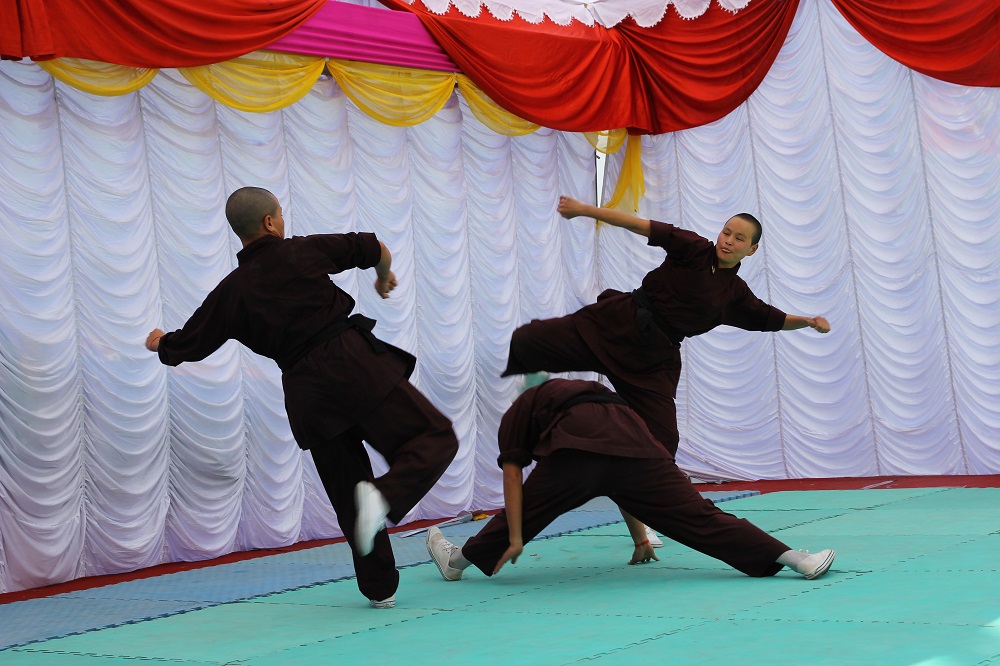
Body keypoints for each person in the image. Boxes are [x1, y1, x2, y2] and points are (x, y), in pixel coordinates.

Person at [146, 186, 458, 609]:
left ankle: (380, 589)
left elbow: (190, 344)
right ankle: (384, 497)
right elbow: (376, 247)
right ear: (270, 223)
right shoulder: (301, 252)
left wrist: (160, 342)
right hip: (352, 365)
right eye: (280, 214)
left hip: (306, 392)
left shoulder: (232, 292)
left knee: (349, 489)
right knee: (436, 437)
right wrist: (383, 275)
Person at [502, 196, 832, 546]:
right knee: (530, 339)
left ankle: (643, 527)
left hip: (653, 360)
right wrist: (585, 210)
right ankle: (531, 383)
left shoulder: (734, 295)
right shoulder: (692, 248)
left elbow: (773, 319)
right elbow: (637, 224)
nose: (728, 241)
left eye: (738, 239)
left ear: (751, 250)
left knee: (658, 442)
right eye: (726, 232)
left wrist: (808, 322)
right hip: (618, 324)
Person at [425, 378, 834, 583]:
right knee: (700, 517)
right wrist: (640, 536)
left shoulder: (521, 410)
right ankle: (795, 558)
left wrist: (517, 535)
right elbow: (620, 482)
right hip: (640, 448)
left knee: (521, 516)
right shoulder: (591, 393)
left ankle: (456, 562)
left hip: (577, 457)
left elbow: (513, 479)